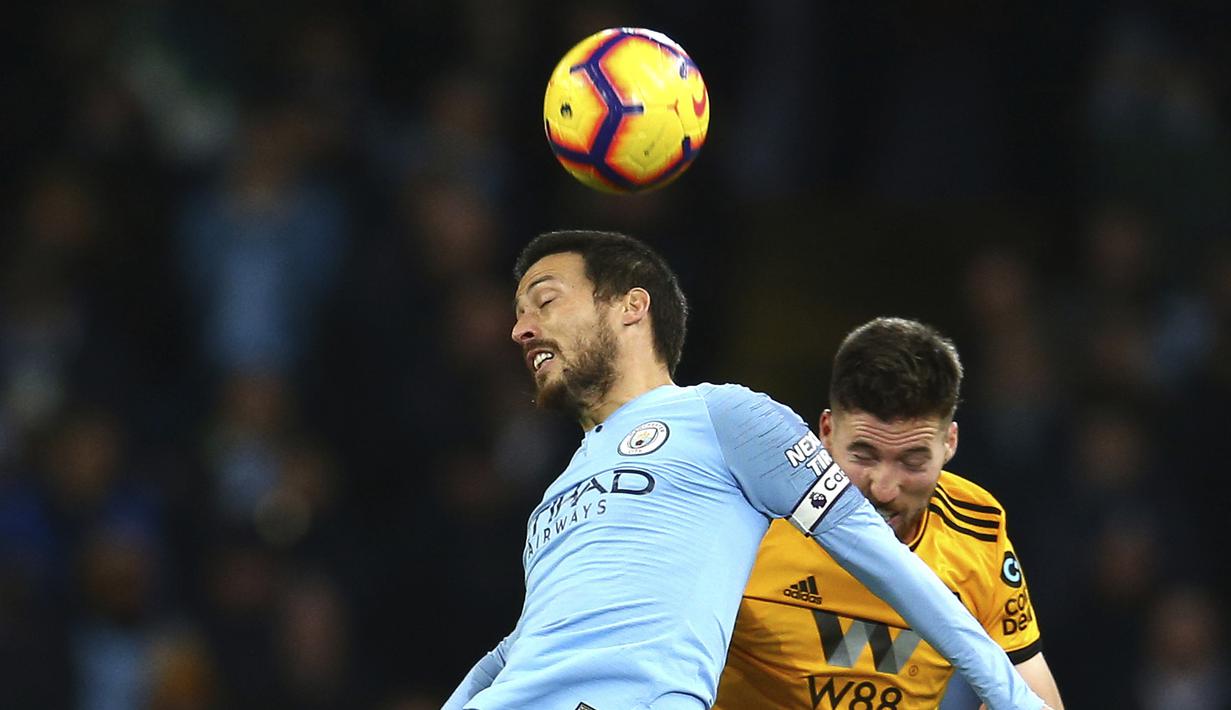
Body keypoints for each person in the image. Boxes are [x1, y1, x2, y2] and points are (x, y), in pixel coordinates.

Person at [444, 231, 1050, 710]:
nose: (520, 328)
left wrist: (1017, 701)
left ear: (632, 307)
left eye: (545, 300)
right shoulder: (556, 493)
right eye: (519, 311)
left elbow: (892, 567)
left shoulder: (724, 417)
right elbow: (524, 647)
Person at [714, 317, 1065, 709]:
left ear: (949, 443)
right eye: (863, 455)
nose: (882, 488)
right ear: (826, 432)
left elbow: (1032, 691)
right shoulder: (753, 516)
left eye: (912, 462)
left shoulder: (976, 528)